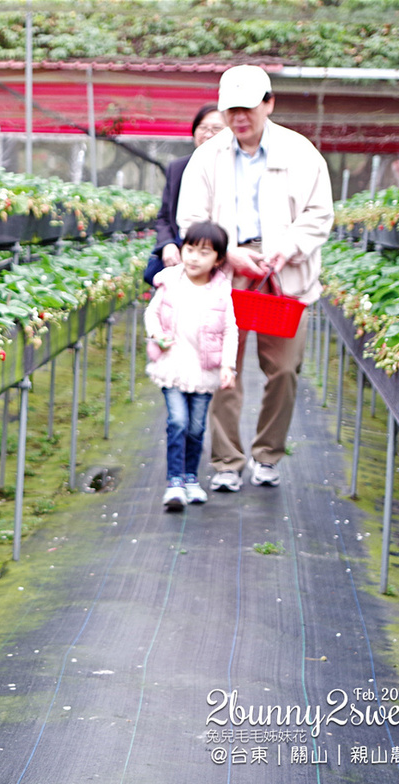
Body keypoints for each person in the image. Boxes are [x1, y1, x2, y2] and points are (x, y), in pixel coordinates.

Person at [176, 64, 334, 492]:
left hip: (285, 271)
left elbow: (320, 215)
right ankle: (227, 461)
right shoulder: (208, 157)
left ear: (269, 104)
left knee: (283, 368)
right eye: (231, 109)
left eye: (247, 107)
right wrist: (229, 254)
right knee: (222, 367)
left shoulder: (301, 153)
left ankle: (268, 455)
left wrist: (289, 246)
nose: (238, 117)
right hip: (227, 269)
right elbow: (190, 217)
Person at [145, 221, 238, 511]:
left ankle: (190, 478)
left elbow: (230, 330)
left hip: (203, 371)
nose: (194, 257)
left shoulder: (222, 291)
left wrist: (228, 366)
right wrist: (158, 335)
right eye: (190, 249)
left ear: (218, 259)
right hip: (172, 365)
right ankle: (174, 483)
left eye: (204, 252)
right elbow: (152, 313)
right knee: (178, 422)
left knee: (196, 427)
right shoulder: (170, 280)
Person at [143, 105, 227, 286]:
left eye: (216, 129)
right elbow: (164, 216)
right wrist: (167, 244)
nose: (208, 134)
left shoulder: (234, 168)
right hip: (185, 260)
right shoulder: (178, 168)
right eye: (203, 128)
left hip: (223, 262)